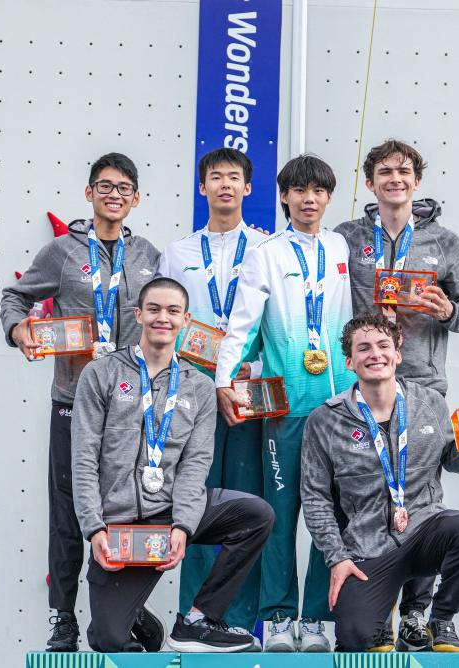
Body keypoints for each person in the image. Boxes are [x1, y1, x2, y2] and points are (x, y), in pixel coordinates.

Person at [0, 153, 161, 652]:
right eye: (104, 186)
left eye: (124, 188)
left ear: (136, 199)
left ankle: (123, 611)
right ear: (89, 194)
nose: (114, 195)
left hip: (132, 409)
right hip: (73, 402)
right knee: (68, 513)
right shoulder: (62, 252)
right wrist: (19, 329)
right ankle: (64, 619)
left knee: (127, 511)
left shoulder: (149, 255)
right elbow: (15, 296)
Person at [71, 278, 275, 652]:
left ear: (185, 319)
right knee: (108, 639)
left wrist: (183, 525)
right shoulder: (101, 374)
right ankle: (135, 614)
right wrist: (95, 528)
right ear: (139, 315)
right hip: (120, 525)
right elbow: (83, 458)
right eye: (154, 309)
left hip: (170, 510)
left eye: (172, 311)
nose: (162, 318)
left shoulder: (198, 386)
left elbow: (196, 464)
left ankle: (198, 619)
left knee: (255, 515)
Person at [334, 139, 459, 649]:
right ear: (370, 182)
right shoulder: (348, 237)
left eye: (403, 171)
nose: (394, 179)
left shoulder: (444, 241)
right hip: (363, 380)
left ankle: (417, 613)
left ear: (416, 181)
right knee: (359, 493)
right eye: (384, 171)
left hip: (422, 383)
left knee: (421, 498)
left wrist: (448, 311)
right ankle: (375, 605)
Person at [213, 155, 355, 652]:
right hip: (286, 406)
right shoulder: (266, 253)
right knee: (280, 513)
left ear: (329, 197)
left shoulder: (340, 247)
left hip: (339, 408)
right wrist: (225, 380)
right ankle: (276, 618)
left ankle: (314, 619)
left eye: (318, 191)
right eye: (299, 190)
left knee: (331, 513)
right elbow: (241, 324)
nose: (308, 199)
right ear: (284, 197)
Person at [301, 313, 459, 653]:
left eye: (383, 346)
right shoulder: (325, 420)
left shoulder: (430, 403)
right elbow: (315, 498)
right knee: (356, 638)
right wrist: (337, 558)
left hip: (424, 532)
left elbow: (452, 461)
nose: (375, 354)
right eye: (364, 348)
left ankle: (440, 619)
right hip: (368, 547)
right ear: (350, 361)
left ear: (397, 354)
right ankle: (378, 622)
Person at [156, 147, 269, 636]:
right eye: (216, 177)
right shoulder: (176, 253)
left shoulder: (266, 249)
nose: (225, 184)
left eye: (234, 177)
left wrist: (251, 367)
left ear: (248, 187)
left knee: (247, 502)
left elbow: (274, 320)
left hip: (247, 386)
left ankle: (237, 621)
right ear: (202, 187)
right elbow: (164, 322)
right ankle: (193, 615)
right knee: (195, 501)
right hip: (193, 392)